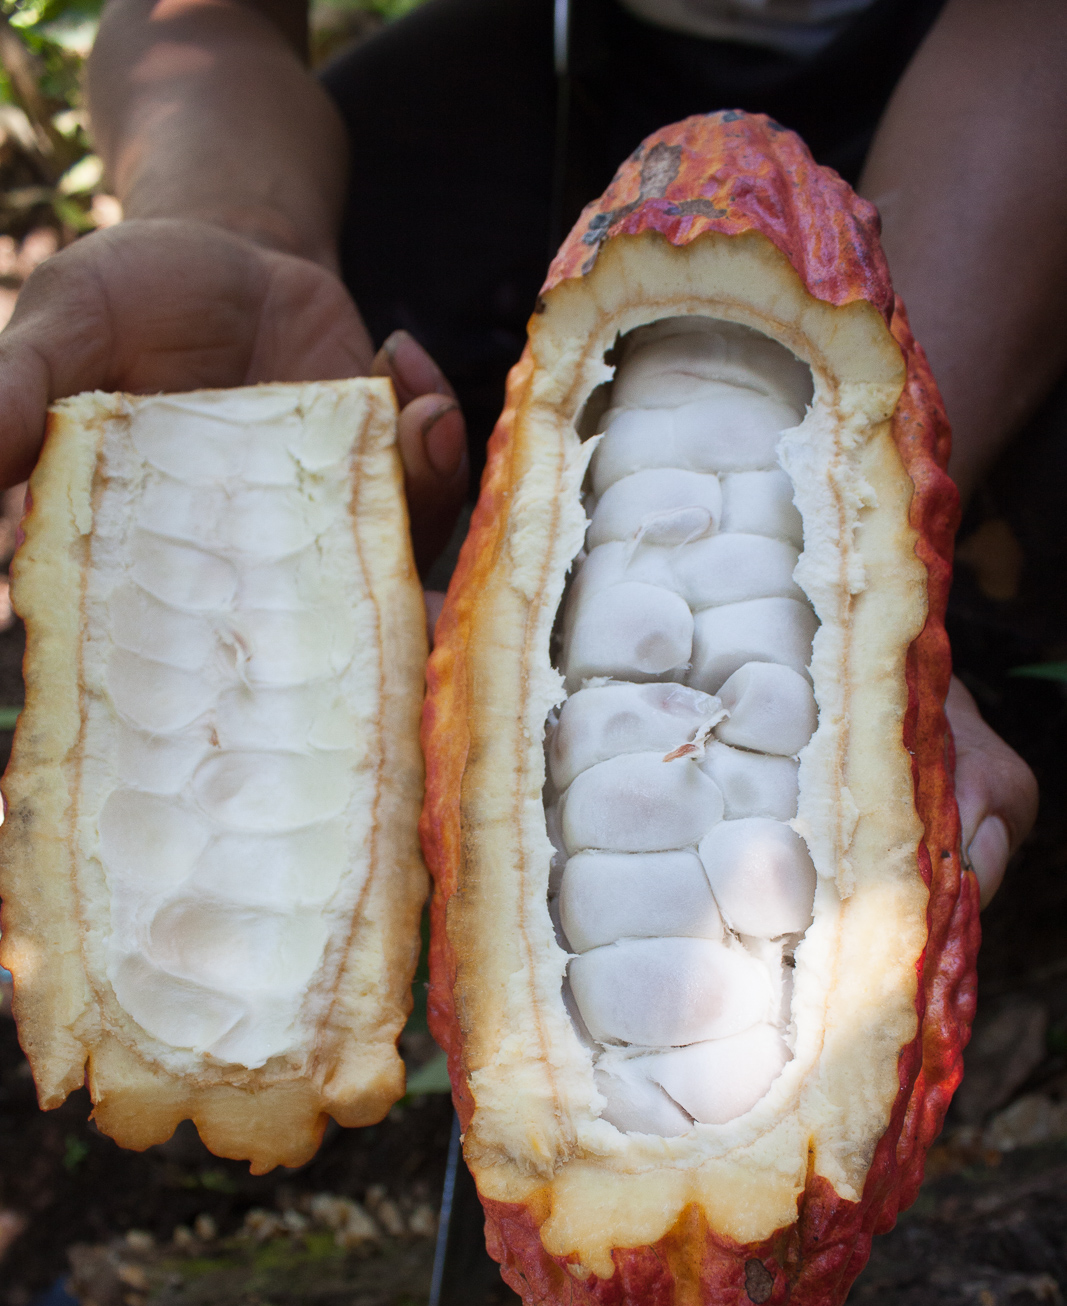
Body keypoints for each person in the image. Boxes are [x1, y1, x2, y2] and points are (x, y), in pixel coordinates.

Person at [0, 0, 1053, 905]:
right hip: (565, 46)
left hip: (1001, 69)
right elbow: (203, 18)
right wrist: (245, 229)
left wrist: (869, 506)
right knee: (372, 293)